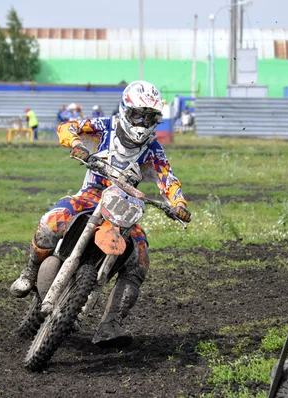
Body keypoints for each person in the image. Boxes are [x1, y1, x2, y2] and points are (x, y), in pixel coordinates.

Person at [10, 80, 191, 348]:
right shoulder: (105, 126)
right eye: (137, 115)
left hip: (125, 207)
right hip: (92, 195)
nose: (141, 122)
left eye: (149, 117)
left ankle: (110, 323)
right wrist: (75, 143)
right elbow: (68, 127)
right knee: (52, 221)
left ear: (156, 119)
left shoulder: (154, 150)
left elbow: (168, 179)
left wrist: (179, 204)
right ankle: (30, 271)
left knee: (139, 260)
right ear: (125, 110)